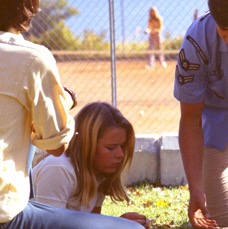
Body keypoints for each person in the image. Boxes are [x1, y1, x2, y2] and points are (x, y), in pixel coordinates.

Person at [0, 1, 144, 229]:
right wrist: (64, 100)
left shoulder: (97, 174)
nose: (119, 154)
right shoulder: (31, 58)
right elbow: (56, 147)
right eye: (110, 147)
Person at [32, 102, 150, 229]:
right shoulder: (58, 169)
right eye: (111, 148)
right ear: (87, 144)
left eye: (122, 146)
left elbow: (92, 223)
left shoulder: (98, 171)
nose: (120, 154)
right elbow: (48, 225)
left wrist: (121, 222)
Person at [174, 0, 228, 228]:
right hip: (217, 124)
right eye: (226, 32)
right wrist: (195, 189)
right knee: (217, 217)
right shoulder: (197, 41)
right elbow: (190, 119)